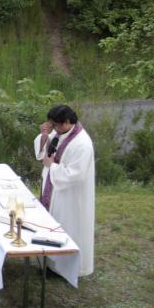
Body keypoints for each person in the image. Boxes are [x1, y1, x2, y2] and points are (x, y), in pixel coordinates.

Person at [34, 104, 95, 276]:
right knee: (53, 225)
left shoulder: (83, 144)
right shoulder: (61, 132)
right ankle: (51, 263)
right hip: (54, 191)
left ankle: (65, 269)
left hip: (70, 196)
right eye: (51, 125)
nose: (53, 128)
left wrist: (51, 167)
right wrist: (45, 136)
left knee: (68, 227)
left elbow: (76, 175)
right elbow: (45, 151)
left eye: (55, 125)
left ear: (67, 122)